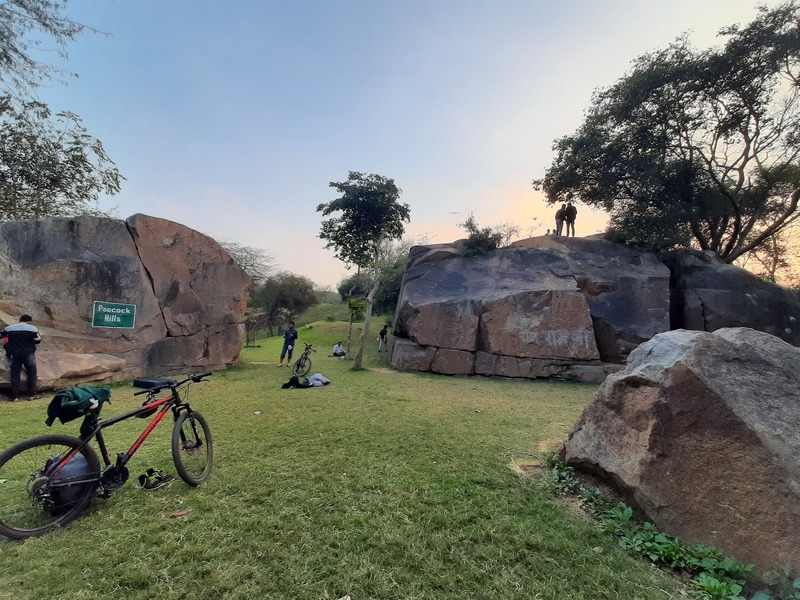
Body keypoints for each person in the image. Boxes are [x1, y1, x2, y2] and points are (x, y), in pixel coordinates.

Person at [2, 314, 41, 401]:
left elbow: (1, 335)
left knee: (15, 374)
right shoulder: (32, 328)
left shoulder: (9, 328)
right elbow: (38, 340)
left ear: (20, 320)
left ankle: (15, 396)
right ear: (29, 321)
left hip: (14, 354)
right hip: (28, 353)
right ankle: (31, 395)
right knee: (32, 373)